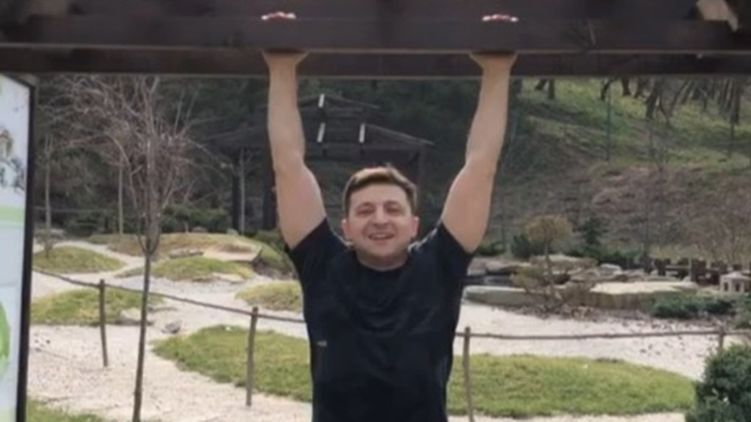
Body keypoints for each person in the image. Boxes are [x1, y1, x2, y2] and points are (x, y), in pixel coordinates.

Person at [263, 49, 515, 422]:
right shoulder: (323, 265)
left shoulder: (439, 265)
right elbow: (287, 165)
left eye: (393, 209)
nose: (379, 219)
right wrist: (281, 66)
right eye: (365, 210)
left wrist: (497, 70)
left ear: (414, 224)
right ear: (346, 227)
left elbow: (481, 167)